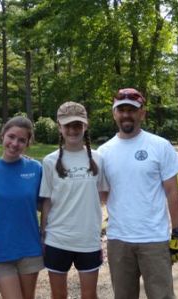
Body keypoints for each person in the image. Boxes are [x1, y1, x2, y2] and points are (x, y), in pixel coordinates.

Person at [97, 88, 178, 299]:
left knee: (162, 295)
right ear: (114, 114)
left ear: (142, 113)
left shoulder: (159, 146)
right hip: (118, 239)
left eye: (132, 110)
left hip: (154, 239)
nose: (126, 114)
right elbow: (101, 197)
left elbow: (172, 192)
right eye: (121, 110)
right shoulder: (103, 153)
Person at [39, 101, 107, 299]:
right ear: (59, 127)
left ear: (85, 126)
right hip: (57, 238)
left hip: (88, 239)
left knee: (89, 295)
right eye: (68, 125)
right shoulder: (50, 161)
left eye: (78, 125)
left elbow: (103, 195)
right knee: (58, 295)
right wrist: (43, 234)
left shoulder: (98, 159)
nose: (73, 130)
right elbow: (47, 201)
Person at [0, 116, 44, 299]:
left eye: (21, 140)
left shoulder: (36, 168)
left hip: (30, 248)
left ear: (28, 144)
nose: (15, 143)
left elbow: (46, 204)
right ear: (2, 136)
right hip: (0, 248)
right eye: (11, 137)